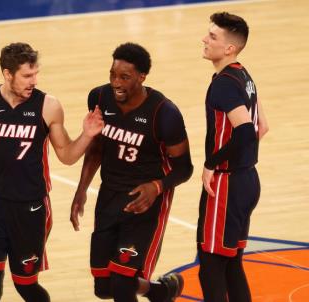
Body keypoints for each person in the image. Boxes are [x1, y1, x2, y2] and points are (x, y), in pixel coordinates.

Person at [0, 42, 104, 302]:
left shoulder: (48, 106)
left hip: (30, 208)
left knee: (26, 285)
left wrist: (87, 135)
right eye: (26, 75)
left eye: (36, 74)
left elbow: (66, 155)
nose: (33, 81)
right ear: (7, 74)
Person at [70, 42, 193, 302]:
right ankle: (160, 291)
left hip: (145, 202)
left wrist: (156, 187)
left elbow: (185, 168)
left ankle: (154, 289)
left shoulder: (165, 113)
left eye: (124, 77)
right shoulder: (99, 97)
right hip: (109, 195)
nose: (116, 82)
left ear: (142, 77)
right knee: (104, 288)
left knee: (122, 284)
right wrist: (81, 190)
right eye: (113, 75)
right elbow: (96, 148)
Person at [197, 12, 269, 302]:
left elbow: (246, 132)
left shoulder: (224, 84)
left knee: (211, 267)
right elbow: (262, 125)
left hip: (227, 185)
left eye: (213, 36)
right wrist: (242, 159)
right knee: (232, 264)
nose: (204, 39)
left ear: (230, 48)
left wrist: (212, 164)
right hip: (248, 180)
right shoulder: (244, 74)